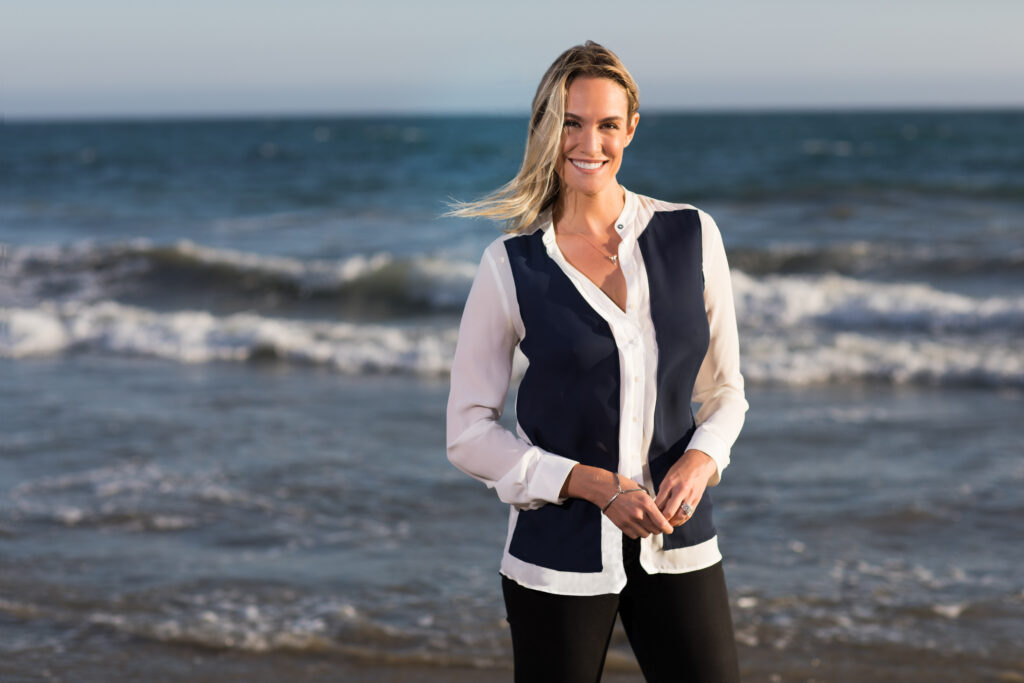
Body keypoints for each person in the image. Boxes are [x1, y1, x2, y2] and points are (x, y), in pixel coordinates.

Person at [445, 40, 748, 683]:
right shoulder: (512, 264)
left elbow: (725, 391)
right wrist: (588, 482)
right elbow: (467, 433)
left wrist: (701, 459)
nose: (590, 142)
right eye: (571, 123)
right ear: (547, 130)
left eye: (608, 124)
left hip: (679, 546)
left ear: (631, 128)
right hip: (555, 557)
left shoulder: (691, 234)